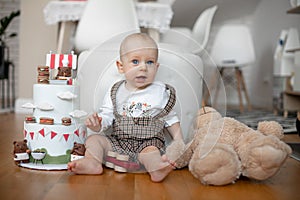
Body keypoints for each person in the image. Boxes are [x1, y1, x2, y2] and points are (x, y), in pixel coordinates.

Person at [68, 33, 184, 182]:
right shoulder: (115, 91)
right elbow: (107, 117)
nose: (143, 68)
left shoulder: (160, 91)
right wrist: (97, 124)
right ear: (121, 67)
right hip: (119, 142)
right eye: (135, 61)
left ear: (156, 66)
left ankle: (156, 168)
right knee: (94, 139)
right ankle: (93, 162)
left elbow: (170, 118)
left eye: (149, 62)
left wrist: (179, 142)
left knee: (151, 153)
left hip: (148, 142)